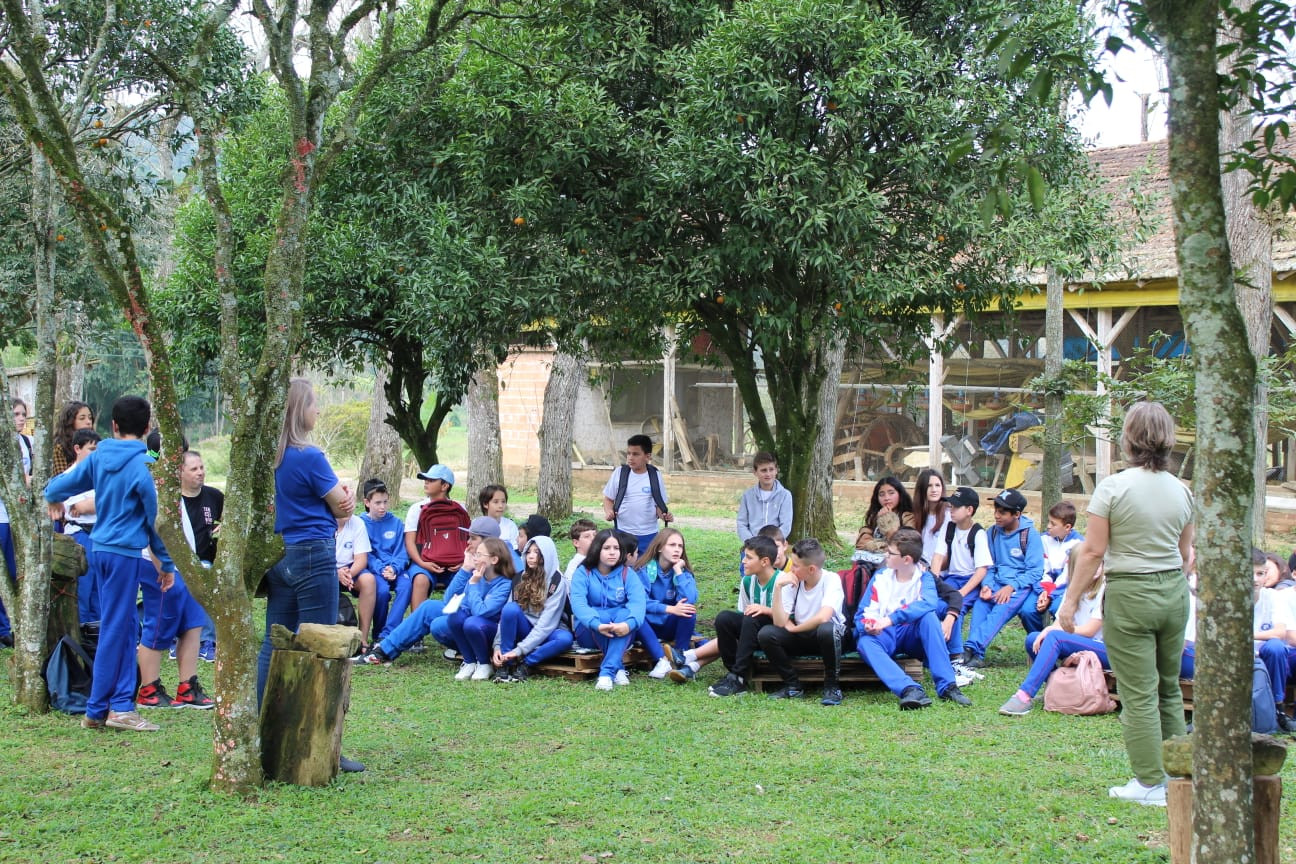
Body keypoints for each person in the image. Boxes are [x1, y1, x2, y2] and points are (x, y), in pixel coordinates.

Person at [1061, 401, 1194, 806]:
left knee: (1138, 693)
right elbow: (1186, 554)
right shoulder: (1182, 489)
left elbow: (1091, 552)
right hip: (1173, 591)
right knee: (1168, 689)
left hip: (1131, 592)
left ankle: (1149, 781)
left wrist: (1068, 603)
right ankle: (1177, 779)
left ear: (1129, 438)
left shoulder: (1114, 487)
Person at [44, 395, 177, 732]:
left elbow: (60, 484)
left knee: (123, 625)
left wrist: (52, 498)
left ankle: (115, 704)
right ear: (147, 428)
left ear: (114, 426)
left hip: (99, 551)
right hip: (123, 555)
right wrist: (164, 563)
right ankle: (103, 709)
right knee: (117, 629)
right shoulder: (144, 465)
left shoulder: (100, 455)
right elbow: (153, 521)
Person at [254, 379, 362, 772]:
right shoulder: (310, 456)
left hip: (278, 554)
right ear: (300, 409)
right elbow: (342, 507)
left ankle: (258, 732)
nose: (319, 410)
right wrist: (343, 501)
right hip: (314, 553)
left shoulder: (268, 457)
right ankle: (318, 738)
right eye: (315, 404)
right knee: (322, 644)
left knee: (274, 643)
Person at [354, 517, 501, 666]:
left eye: (473, 538)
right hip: (467, 616)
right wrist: (465, 569)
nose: (468, 542)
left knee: (440, 625)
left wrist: (473, 586)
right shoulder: (477, 560)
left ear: (488, 542)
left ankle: (480, 655)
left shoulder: (502, 566)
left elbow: (485, 612)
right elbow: (448, 600)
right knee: (429, 607)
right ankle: (382, 651)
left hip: (485, 628)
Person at [855, 529, 971, 710]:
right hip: (885, 633)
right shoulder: (880, 577)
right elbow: (863, 612)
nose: (886, 555)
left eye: (891, 553)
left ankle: (947, 685)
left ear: (906, 559)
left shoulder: (924, 578)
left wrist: (891, 619)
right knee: (865, 642)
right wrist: (868, 625)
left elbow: (928, 603)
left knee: (929, 618)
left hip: (910, 632)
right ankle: (909, 689)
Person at [999, 565, 1108, 716]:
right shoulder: (1073, 589)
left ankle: (1024, 695)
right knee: (1034, 639)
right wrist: (1047, 630)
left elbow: (1090, 630)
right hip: (1079, 642)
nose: (1094, 568)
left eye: (1098, 563)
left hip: (1105, 648)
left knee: (1055, 637)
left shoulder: (1105, 588)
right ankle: (1059, 689)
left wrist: (1055, 631)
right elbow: (1058, 622)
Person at [960, 488, 1044, 669]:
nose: (996, 515)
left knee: (1000, 609)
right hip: (996, 580)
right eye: (995, 510)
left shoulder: (1029, 535)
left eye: (1002, 512)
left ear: (1017, 514)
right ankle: (977, 656)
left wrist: (1012, 586)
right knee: (981, 605)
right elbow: (989, 564)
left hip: (1018, 586)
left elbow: (1035, 571)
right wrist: (987, 585)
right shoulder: (993, 532)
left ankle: (970, 647)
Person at [756, 538, 846, 705]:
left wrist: (795, 629)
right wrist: (778, 588)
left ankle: (832, 686)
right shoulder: (793, 582)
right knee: (767, 634)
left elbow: (823, 617)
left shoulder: (831, 580)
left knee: (826, 629)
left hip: (830, 637)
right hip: (803, 635)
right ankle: (793, 685)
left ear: (811, 569)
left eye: (796, 565)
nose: (791, 568)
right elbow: (779, 621)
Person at [569, 528, 646, 690]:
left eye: (616, 548)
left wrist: (628, 624)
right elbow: (578, 604)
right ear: (597, 549)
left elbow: (638, 605)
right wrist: (596, 623)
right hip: (590, 630)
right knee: (602, 616)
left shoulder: (628, 574)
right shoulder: (583, 572)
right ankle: (617, 667)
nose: (612, 553)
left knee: (625, 614)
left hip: (622, 631)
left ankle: (606, 673)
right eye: (607, 548)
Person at [706, 535, 782, 695]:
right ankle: (734, 674)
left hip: (777, 636)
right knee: (724, 618)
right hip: (753, 631)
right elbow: (744, 615)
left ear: (765, 561)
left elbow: (790, 618)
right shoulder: (747, 581)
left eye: (748, 557)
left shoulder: (781, 581)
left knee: (753, 615)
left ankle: (738, 677)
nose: (743, 561)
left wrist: (765, 609)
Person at [493, 535, 573, 682]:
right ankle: (505, 662)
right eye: (528, 552)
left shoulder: (556, 581)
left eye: (537, 552)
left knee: (565, 639)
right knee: (511, 609)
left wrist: (520, 650)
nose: (531, 556)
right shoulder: (519, 578)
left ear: (546, 555)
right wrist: (497, 646)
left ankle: (526, 663)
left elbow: (547, 624)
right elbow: (505, 617)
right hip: (526, 627)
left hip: (550, 629)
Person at [929, 487, 992, 662]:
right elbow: (938, 556)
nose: (951, 511)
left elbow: (981, 570)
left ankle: (956, 654)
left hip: (970, 581)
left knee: (958, 608)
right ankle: (936, 647)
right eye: (950, 507)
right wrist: (934, 581)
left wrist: (961, 593)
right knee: (935, 605)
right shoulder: (948, 528)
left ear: (969, 510)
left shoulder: (978, 534)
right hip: (950, 579)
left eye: (956, 507)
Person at [632, 527, 698, 679]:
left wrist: (679, 572)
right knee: (636, 616)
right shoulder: (643, 570)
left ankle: (680, 658)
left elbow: (690, 600)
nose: (677, 550)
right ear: (660, 547)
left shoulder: (683, 572)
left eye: (680, 546)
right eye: (672, 545)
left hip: (669, 625)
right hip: (647, 625)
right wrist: (670, 609)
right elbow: (640, 602)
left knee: (689, 610)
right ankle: (662, 660)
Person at [403, 464, 469, 606]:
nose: (426, 482)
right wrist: (422, 563)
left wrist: (463, 563)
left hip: (455, 564)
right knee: (420, 579)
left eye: (432, 480)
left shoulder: (459, 509)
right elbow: (410, 542)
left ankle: (455, 623)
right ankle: (418, 622)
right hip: (424, 561)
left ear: (445, 486)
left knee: (467, 579)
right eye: (425, 479)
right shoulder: (416, 509)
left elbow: (468, 541)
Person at [177, 450, 221, 662]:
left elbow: (229, 522)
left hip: (208, 561)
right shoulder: (173, 501)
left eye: (202, 467)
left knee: (206, 570)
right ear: (180, 472)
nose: (200, 472)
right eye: (194, 469)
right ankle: (188, 640)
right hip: (178, 563)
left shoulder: (214, 496)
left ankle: (207, 641)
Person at [1020, 500, 1084, 634]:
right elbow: (1041, 568)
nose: (1048, 526)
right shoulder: (1042, 539)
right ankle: (1037, 642)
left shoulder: (1078, 544)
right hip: (1042, 587)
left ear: (1067, 527)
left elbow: (1069, 576)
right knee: (1027, 611)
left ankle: (1060, 644)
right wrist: (1042, 591)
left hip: (1064, 590)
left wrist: (1050, 594)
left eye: (1053, 524)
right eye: (1049, 521)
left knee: (1058, 610)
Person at [602, 434, 671, 556]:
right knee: (623, 568)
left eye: (636, 454)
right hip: (623, 532)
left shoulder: (654, 475)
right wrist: (609, 512)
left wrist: (664, 516)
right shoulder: (620, 473)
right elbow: (608, 499)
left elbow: (658, 505)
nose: (630, 458)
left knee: (646, 569)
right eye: (628, 453)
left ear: (647, 456)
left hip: (649, 534)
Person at [360, 479, 410, 643]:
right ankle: (378, 632)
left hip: (395, 569)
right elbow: (365, 553)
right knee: (381, 591)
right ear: (367, 502)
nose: (382, 507)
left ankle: (388, 634)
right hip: (375, 570)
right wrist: (381, 569)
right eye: (377, 503)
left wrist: (394, 568)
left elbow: (402, 551)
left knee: (406, 586)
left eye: (385, 502)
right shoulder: (361, 524)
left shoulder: (395, 523)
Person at [334, 512, 372, 650]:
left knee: (368, 581)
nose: (347, 509)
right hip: (325, 567)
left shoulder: (357, 523)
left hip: (350, 568)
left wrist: (348, 574)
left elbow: (361, 559)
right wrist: (335, 573)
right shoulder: (321, 521)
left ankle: (362, 639)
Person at [855, 476, 915, 563]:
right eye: (882, 494)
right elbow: (862, 543)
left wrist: (887, 520)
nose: (886, 498)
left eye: (891, 493)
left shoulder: (908, 517)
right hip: (871, 560)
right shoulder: (874, 516)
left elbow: (903, 543)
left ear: (900, 494)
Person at [736, 452, 792, 542]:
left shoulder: (785, 495)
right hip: (752, 545)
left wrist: (771, 542)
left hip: (775, 546)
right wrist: (751, 542)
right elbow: (742, 523)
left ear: (776, 470)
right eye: (763, 470)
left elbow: (786, 525)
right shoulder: (748, 496)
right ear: (755, 472)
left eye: (771, 469)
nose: (768, 474)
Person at [912, 468, 951, 567]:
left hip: (939, 571)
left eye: (937, 485)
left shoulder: (949, 515)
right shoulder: (915, 515)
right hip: (918, 566)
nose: (934, 490)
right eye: (929, 486)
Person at [51, 400, 94, 476]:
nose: (88, 422)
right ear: (70, 421)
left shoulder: (94, 443)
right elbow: (61, 480)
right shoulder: (59, 447)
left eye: (90, 418)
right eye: (82, 418)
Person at [563, 519, 598, 587]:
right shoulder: (575, 567)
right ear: (576, 543)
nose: (593, 539)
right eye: (587, 536)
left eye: (595, 535)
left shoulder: (600, 560)